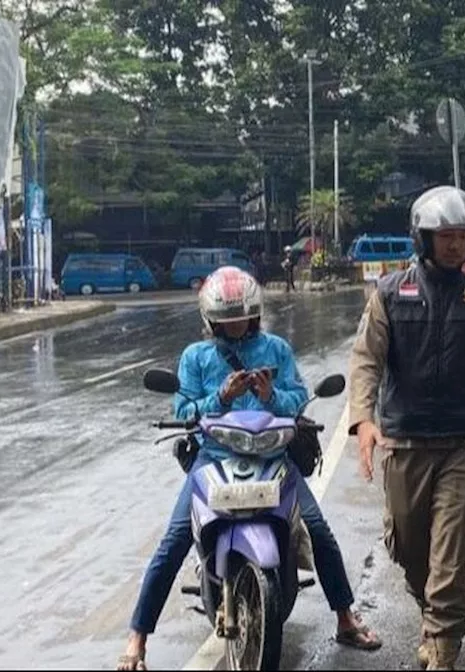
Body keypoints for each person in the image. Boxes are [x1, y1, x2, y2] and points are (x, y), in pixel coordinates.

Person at [116, 266, 380, 672]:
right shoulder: (196, 357)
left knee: (320, 532)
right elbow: (183, 410)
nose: (236, 324)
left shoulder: (275, 350)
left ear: (254, 313)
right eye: (226, 318)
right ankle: (137, 639)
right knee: (172, 543)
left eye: (241, 316)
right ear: (211, 320)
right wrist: (221, 396)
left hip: (273, 459)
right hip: (214, 459)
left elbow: (298, 400)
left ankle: (345, 618)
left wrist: (269, 393)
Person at [348, 185, 465, 671]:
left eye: (463, 237)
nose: (454, 245)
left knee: (449, 553)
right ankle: (432, 617)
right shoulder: (389, 293)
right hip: (405, 441)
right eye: (443, 236)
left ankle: (443, 648)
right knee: (410, 550)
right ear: (422, 239)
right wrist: (363, 419)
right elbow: (366, 360)